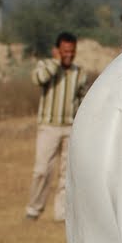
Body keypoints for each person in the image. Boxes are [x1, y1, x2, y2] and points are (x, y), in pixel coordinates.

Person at [24, 32, 89, 222]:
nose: (69, 54)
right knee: (42, 170)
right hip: (48, 126)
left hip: (70, 127)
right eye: (65, 51)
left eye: (72, 51)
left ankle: (62, 214)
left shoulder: (80, 73)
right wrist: (55, 62)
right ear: (57, 50)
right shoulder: (46, 66)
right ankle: (33, 210)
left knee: (66, 174)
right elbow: (38, 79)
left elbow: (83, 100)